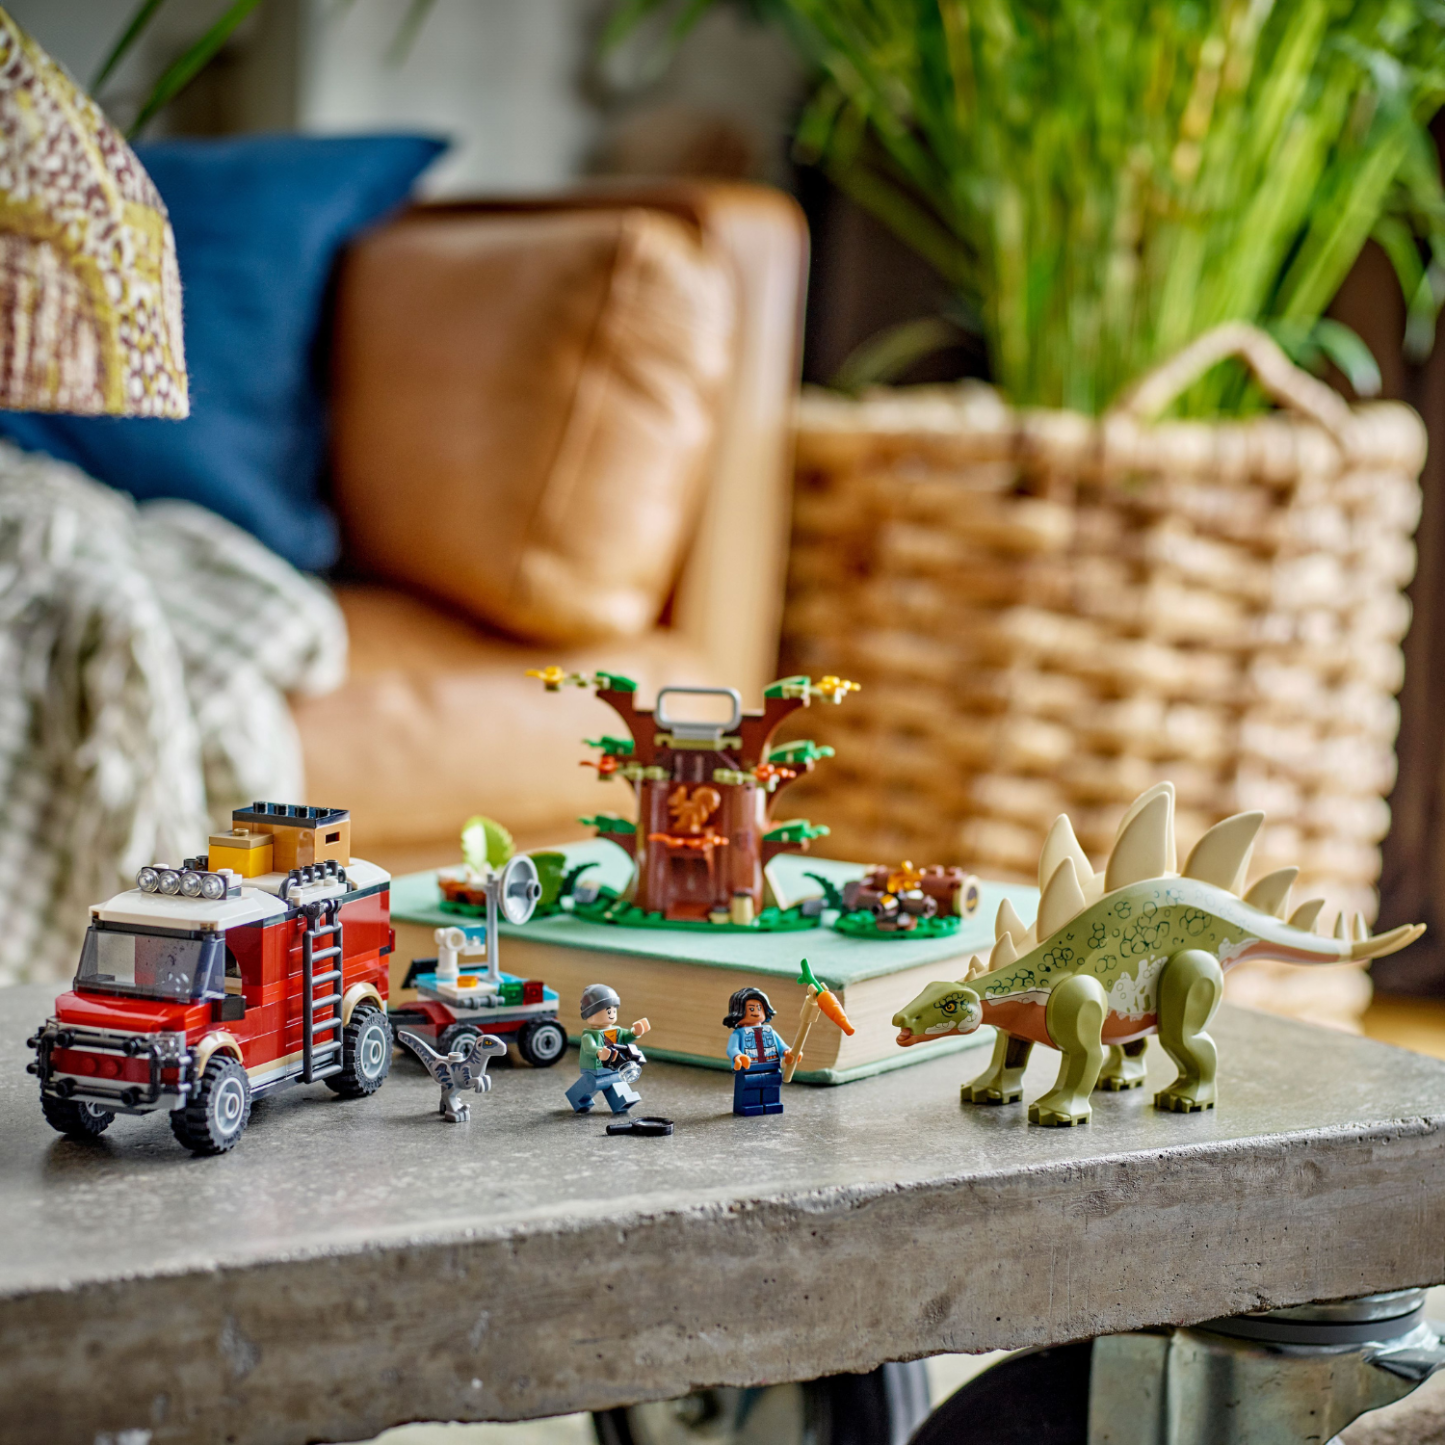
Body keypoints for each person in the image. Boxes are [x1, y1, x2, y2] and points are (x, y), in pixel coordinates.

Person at [565, 983, 651, 1114]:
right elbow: (589, 1048)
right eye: (608, 1011)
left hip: (614, 1068)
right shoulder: (589, 1035)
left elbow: (626, 1037)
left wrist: (635, 1032)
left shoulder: (616, 1030)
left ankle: (622, 1102)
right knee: (592, 1084)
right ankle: (576, 1098)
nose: (612, 1014)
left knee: (616, 1082)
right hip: (596, 1069)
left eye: (614, 1011)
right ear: (591, 1013)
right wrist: (599, 1052)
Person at [723, 986, 792, 1116]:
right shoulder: (738, 1034)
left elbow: (781, 1046)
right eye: (751, 1009)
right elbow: (732, 1049)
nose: (756, 1012)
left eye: (759, 1008)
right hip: (749, 1068)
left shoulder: (770, 1032)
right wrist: (738, 1056)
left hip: (771, 1066)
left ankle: (772, 1103)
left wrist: (788, 1052)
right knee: (749, 1086)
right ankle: (749, 1105)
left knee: (772, 1085)